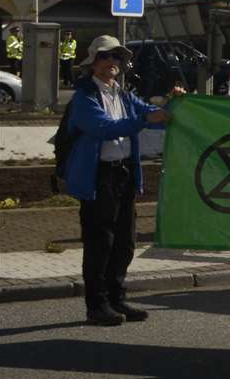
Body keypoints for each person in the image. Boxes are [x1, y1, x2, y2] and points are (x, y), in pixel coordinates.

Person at [63, 36, 185, 326]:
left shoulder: (124, 95)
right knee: (100, 242)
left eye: (117, 57)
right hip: (98, 177)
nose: (112, 62)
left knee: (124, 242)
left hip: (123, 174)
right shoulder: (84, 97)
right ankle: (97, 305)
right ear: (93, 62)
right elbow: (104, 128)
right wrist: (148, 119)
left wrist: (172, 101)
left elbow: (148, 111)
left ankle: (116, 298)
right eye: (106, 57)